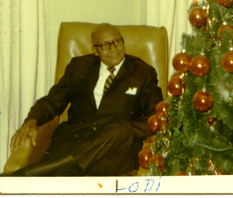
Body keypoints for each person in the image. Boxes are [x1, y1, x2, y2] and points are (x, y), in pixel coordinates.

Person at [11, 23, 163, 176]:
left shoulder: (143, 72)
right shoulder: (78, 67)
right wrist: (32, 120)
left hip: (113, 151)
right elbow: (52, 101)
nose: (114, 48)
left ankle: (33, 173)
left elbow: (156, 116)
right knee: (62, 179)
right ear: (95, 50)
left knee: (121, 129)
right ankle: (63, 166)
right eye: (105, 45)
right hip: (74, 140)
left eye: (117, 41)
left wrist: (125, 131)